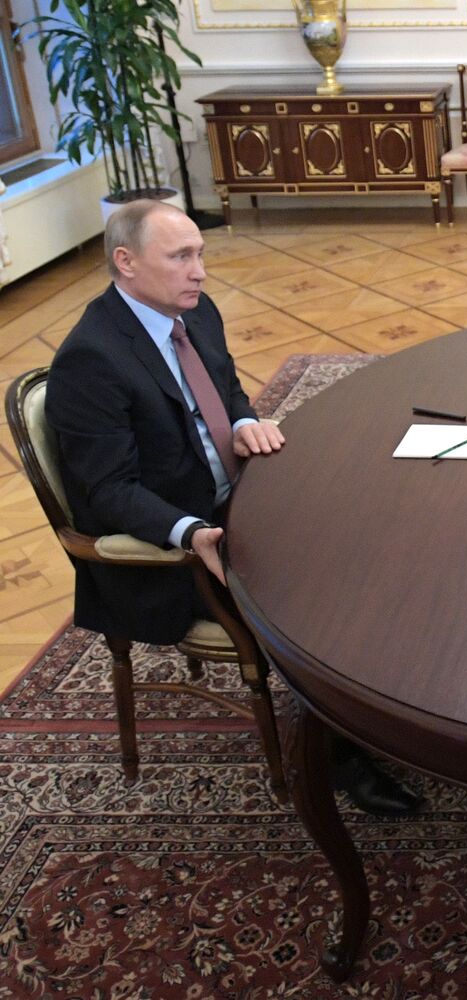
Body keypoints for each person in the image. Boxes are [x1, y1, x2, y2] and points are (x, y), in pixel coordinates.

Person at [45, 200, 420, 816]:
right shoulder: (91, 360)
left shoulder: (192, 310)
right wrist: (191, 531)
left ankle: (381, 693)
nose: (200, 272)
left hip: (239, 492)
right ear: (126, 262)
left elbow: (225, 386)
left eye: (200, 255)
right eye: (181, 257)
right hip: (181, 544)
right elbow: (107, 490)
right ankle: (340, 752)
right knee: (312, 595)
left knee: (371, 518)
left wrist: (243, 418)